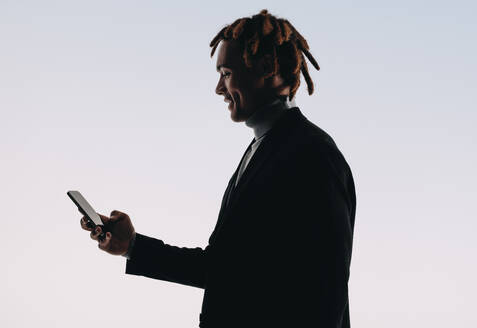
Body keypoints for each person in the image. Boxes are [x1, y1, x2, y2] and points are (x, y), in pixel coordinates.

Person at [80, 9, 356, 328]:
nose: (218, 88)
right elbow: (223, 269)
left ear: (267, 68)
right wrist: (132, 246)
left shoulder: (314, 155)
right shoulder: (262, 150)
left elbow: (325, 291)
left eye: (225, 73)